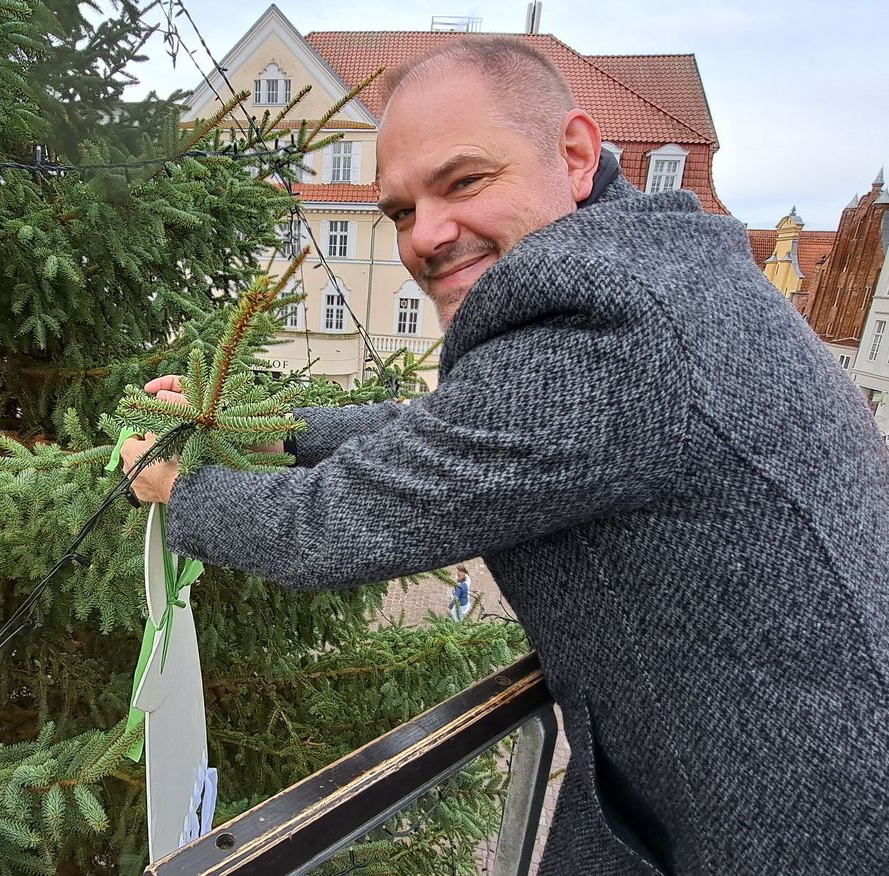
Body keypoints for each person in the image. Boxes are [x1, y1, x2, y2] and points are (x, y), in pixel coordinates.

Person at [120, 37, 889, 876]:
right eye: (400, 212)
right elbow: (451, 427)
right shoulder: (659, 272)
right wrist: (277, 431)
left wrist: (175, 487)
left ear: (576, 154)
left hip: (808, 822)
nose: (426, 236)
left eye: (464, 181)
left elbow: (328, 527)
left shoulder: (611, 324)